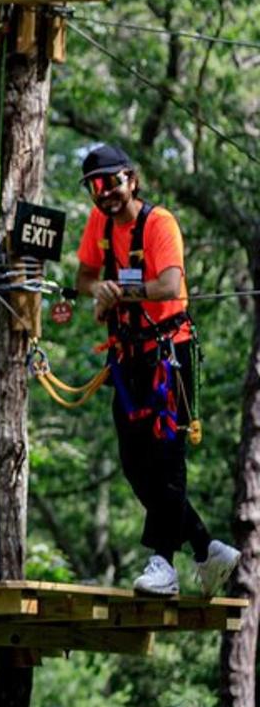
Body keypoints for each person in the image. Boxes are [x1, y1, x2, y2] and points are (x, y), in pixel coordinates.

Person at [74, 144, 239, 596]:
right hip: (127, 356)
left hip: (170, 354)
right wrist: (99, 289)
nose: (104, 193)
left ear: (132, 179)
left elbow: (169, 282)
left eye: (111, 182)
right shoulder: (100, 224)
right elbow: (83, 277)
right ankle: (206, 549)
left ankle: (163, 564)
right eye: (95, 186)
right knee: (135, 464)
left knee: (166, 460)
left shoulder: (158, 222)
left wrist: (118, 296)